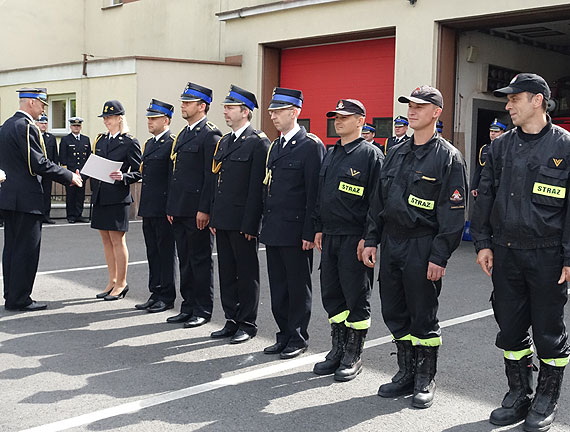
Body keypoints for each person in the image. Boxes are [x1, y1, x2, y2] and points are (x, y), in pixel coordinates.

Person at [471, 73, 570, 432]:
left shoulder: (564, 146)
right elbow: (485, 195)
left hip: (548, 256)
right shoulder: (499, 148)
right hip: (506, 253)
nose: (508, 105)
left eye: (515, 98)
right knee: (510, 329)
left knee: (547, 331)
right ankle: (518, 393)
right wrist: (482, 243)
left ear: (537, 100)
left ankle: (546, 397)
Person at [363, 85, 467, 409]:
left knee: (422, 312)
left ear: (436, 113)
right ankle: (405, 372)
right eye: (410, 105)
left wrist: (440, 255)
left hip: (422, 244)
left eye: (420, 106)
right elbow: (378, 200)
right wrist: (371, 239)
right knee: (394, 310)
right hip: (392, 241)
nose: (412, 111)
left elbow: (453, 213)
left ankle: (425, 377)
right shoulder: (396, 152)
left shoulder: (448, 157)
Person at [312, 99, 383, 381]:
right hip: (330, 236)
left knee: (356, 295)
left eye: (344, 117)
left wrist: (369, 237)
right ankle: (338, 348)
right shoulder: (332, 153)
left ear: (360, 121)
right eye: (336, 117)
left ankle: (354, 353)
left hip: (355, 238)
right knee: (332, 294)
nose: (338, 121)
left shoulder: (370, 155)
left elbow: (377, 202)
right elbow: (322, 195)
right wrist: (319, 227)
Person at [0, 88, 82, 312]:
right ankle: (20, 298)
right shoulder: (26, 127)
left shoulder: (6, 126)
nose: (44, 109)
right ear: (31, 103)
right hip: (26, 199)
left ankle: (12, 294)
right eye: (42, 104)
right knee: (26, 250)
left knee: (12, 249)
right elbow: (38, 163)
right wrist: (68, 176)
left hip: (9, 197)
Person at [261, 87, 325, 358]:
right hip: (275, 228)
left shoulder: (310, 146)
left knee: (297, 287)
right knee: (279, 288)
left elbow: (314, 194)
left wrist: (311, 230)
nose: (273, 116)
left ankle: (297, 337)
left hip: (296, 230)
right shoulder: (275, 146)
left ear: (295, 112)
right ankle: (283, 334)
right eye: (271, 111)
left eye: (279, 111)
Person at [208, 85, 270, 343]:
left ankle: (247, 322)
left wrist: (252, 224)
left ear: (245, 112)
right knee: (227, 272)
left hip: (243, 222)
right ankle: (231, 319)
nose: (225, 111)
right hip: (224, 219)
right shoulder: (225, 141)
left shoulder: (258, 142)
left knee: (246, 274)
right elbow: (218, 183)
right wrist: (214, 216)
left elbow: (258, 189)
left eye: (230, 107)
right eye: (225, 107)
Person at [166, 82, 221, 325]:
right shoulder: (183, 134)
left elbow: (211, 177)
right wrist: (171, 206)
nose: (183, 106)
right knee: (185, 260)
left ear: (202, 106)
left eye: (188, 102)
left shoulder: (210, 135)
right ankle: (187, 305)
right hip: (180, 208)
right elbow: (176, 174)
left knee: (200, 260)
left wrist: (205, 209)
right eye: (183, 102)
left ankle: (202, 309)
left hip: (197, 210)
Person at [91, 100, 142, 301]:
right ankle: (112, 280)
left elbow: (139, 171)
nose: (106, 121)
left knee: (117, 240)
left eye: (110, 117)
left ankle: (121, 283)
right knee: (105, 239)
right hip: (101, 195)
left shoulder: (129, 142)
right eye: (104, 117)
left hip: (117, 197)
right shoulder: (100, 140)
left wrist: (124, 176)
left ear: (120, 118)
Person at [134, 99, 177, 314]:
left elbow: (172, 179)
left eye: (154, 118)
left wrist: (171, 208)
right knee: (152, 252)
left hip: (163, 209)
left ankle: (167, 295)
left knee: (165, 253)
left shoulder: (172, 143)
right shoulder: (149, 144)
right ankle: (155, 292)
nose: (149, 122)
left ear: (166, 120)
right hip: (149, 207)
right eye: (149, 118)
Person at [59, 117, 91, 223]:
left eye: (78, 126)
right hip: (71, 173)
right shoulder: (65, 140)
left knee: (80, 195)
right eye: (74, 126)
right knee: (71, 195)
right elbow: (63, 157)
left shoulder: (86, 139)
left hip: (82, 173)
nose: (76, 127)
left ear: (80, 127)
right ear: (70, 127)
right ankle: (71, 215)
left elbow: (88, 157)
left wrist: (85, 173)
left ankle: (78, 214)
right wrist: (66, 173)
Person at [470, 118, 507, 198]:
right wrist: (474, 186)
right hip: (485, 187)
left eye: (496, 132)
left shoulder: (507, 149)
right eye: (491, 131)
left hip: (500, 188)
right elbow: (479, 169)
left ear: (503, 133)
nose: (493, 134)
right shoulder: (484, 149)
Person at [35, 114, 58, 224]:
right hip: (36, 170)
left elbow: (54, 155)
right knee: (36, 193)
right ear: (36, 124)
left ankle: (46, 215)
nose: (44, 125)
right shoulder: (33, 136)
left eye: (45, 123)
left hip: (48, 170)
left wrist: (56, 169)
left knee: (47, 194)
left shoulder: (51, 138)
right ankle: (37, 215)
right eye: (41, 123)